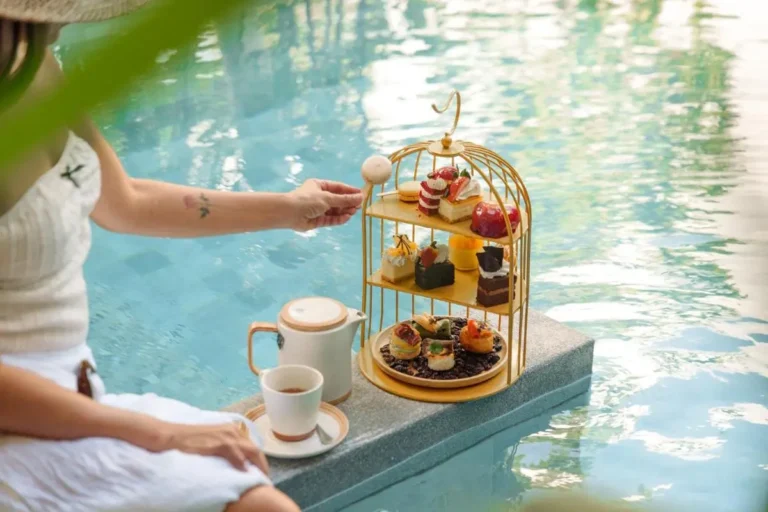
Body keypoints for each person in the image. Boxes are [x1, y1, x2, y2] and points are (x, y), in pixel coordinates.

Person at [0, 2, 363, 511]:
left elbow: (127, 201)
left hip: (76, 404)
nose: (60, 22)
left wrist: (289, 208)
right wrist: (155, 432)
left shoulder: (37, 70)